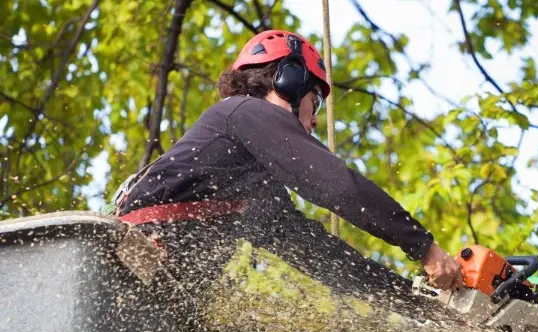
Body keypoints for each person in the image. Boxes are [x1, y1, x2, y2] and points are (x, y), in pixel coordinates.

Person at [113, 29, 463, 300]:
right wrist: (424, 247)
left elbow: (320, 256)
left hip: (149, 290)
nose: (313, 122)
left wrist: (414, 300)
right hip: (129, 263)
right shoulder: (242, 112)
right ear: (289, 81)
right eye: (316, 101)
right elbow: (336, 184)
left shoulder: (252, 186)